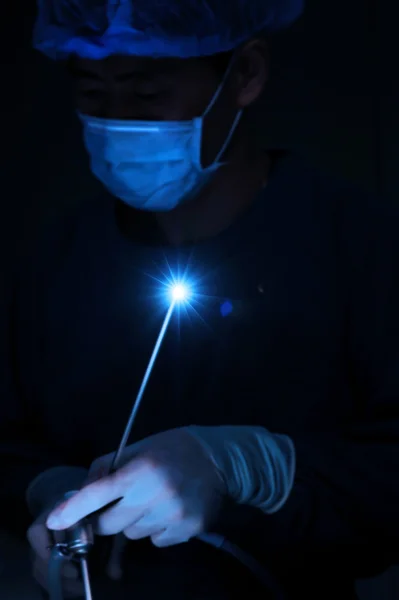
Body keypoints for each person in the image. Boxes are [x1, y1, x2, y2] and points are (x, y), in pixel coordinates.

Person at [1, 0, 399, 598]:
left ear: (245, 75)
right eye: (91, 90)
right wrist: (47, 490)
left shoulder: (361, 245)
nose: (116, 120)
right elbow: (8, 443)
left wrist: (247, 467)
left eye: (146, 92)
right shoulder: (56, 261)